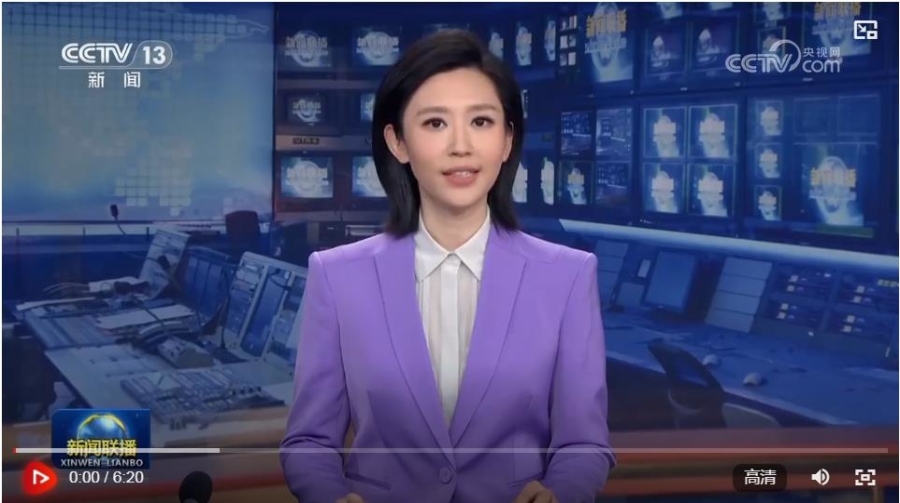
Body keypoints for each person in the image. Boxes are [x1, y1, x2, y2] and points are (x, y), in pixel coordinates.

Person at [280, 29, 615, 503]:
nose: (461, 145)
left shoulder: (568, 276)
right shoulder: (337, 276)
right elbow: (309, 441)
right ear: (398, 142)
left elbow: (584, 443)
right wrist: (330, 496)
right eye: (436, 123)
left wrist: (560, 492)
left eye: (481, 121)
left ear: (506, 140)